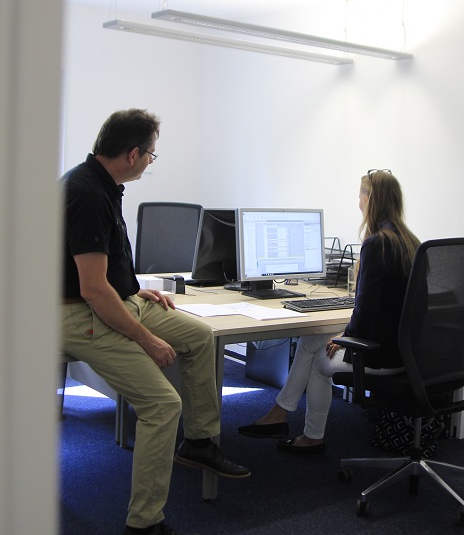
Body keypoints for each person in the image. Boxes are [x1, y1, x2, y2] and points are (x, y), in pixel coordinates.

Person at [61, 108, 250, 535]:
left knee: (200, 335)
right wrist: (146, 339)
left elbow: (102, 269)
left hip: (115, 299)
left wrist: (132, 288)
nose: (150, 161)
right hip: (78, 312)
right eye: (151, 155)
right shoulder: (87, 193)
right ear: (133, 154)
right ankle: (144, 523)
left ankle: (199, 442)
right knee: (163, 406)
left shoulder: (105, 185)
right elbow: (92, 289)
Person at [237, 169, 421, 454]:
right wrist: (346, 332)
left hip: (380, 355)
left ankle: (309, 434)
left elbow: (366, 309)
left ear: (370, 199)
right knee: (311, 340)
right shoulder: (412, 243)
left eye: (360, 196)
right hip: (407, 353)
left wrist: (346, 335)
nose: (358, 202)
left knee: (318, 359)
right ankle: (281, 414)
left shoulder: (377, 244)